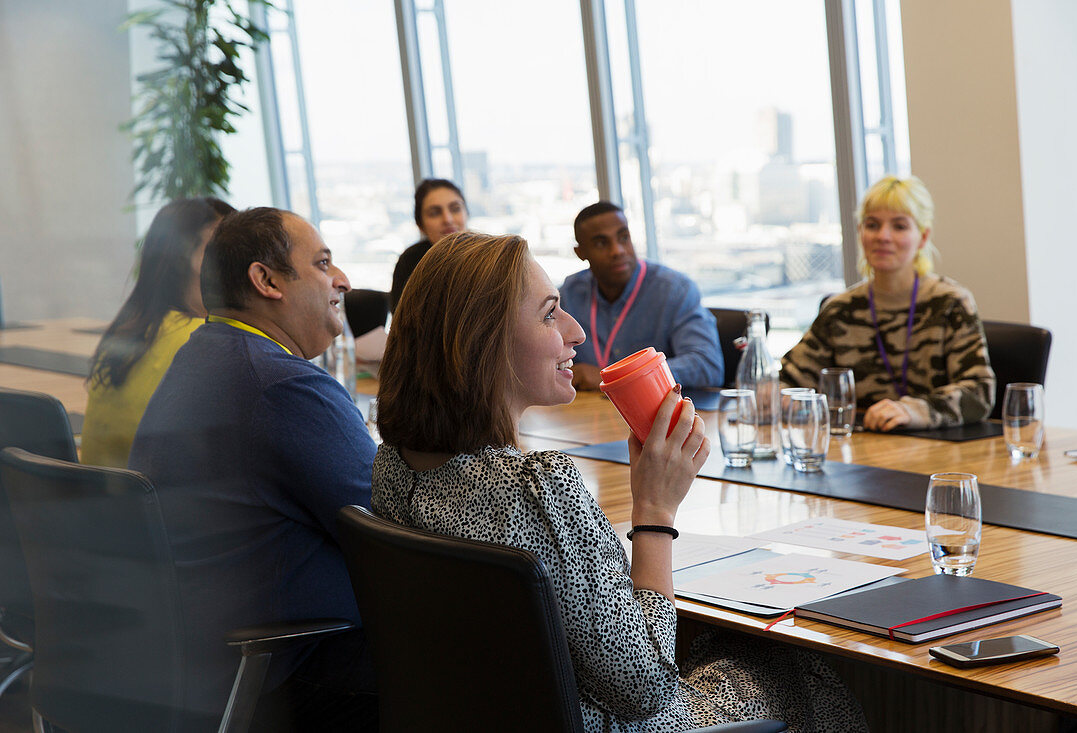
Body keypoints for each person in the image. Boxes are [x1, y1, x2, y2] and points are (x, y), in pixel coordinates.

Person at [372, 231, 867, 732]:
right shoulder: (537, 487)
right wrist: (655, 510)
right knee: (797, 668)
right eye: (549, 314)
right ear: (483, 340)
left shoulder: (393, 462)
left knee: (731, 646)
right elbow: (646, 690)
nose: (575, 332)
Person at [128, 207, 378, 730]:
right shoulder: (280, 385)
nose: (343, 280)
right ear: (265, 280)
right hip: (290, 675)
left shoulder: (206, 355)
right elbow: (394, 524)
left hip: (213, 663)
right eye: (323, 262)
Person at [780, 176, 995, 432]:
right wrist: (778, 398)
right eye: (872, 225)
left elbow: (979, 393)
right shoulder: (840, 310)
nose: (883, 236)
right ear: (860, 233)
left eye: (899, 226)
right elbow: (788, 381)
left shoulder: (949, 303)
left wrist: (913, 410)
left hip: (936, 452)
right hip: (860, 452)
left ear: (923, 237)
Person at [81, 197, 235, 468]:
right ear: (188, 258)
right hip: (157, 505)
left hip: (107, 503)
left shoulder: (130, 329)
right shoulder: (200, 341)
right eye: (225, 247)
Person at [560, 201, 723, 390]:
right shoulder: (569, 294)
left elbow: (708, 365)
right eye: (601, 243)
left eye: (623, 237)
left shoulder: (674, 290)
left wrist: (616, 378)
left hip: (656, 416)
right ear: (580, 253)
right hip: (588, 415)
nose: (617, 251)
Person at [389, 178, 467, 312]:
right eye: (435, 213)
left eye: (455, 209)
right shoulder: (410, 261)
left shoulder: (489, 256)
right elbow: (400, 321)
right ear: (420, 225)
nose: (447, 219)